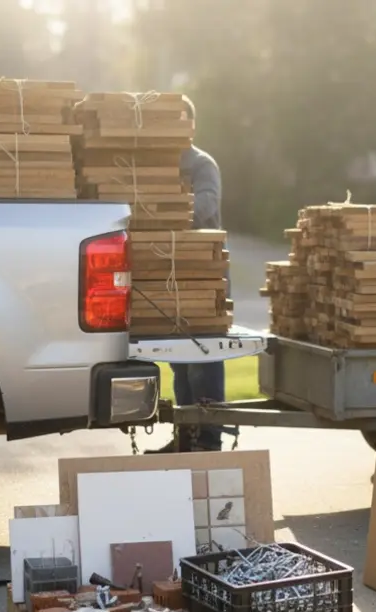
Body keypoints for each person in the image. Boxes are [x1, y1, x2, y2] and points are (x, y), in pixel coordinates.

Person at [147, 95, 229, 453]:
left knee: (203, 359)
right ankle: (185, 436)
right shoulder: (156, 164)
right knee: (180, 363)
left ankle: (208, 439)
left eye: (181, 120)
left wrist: (163, 210)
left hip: (203, 275)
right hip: (172, 274)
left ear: (191, 126)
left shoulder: (202, 164)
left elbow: (206, 207)